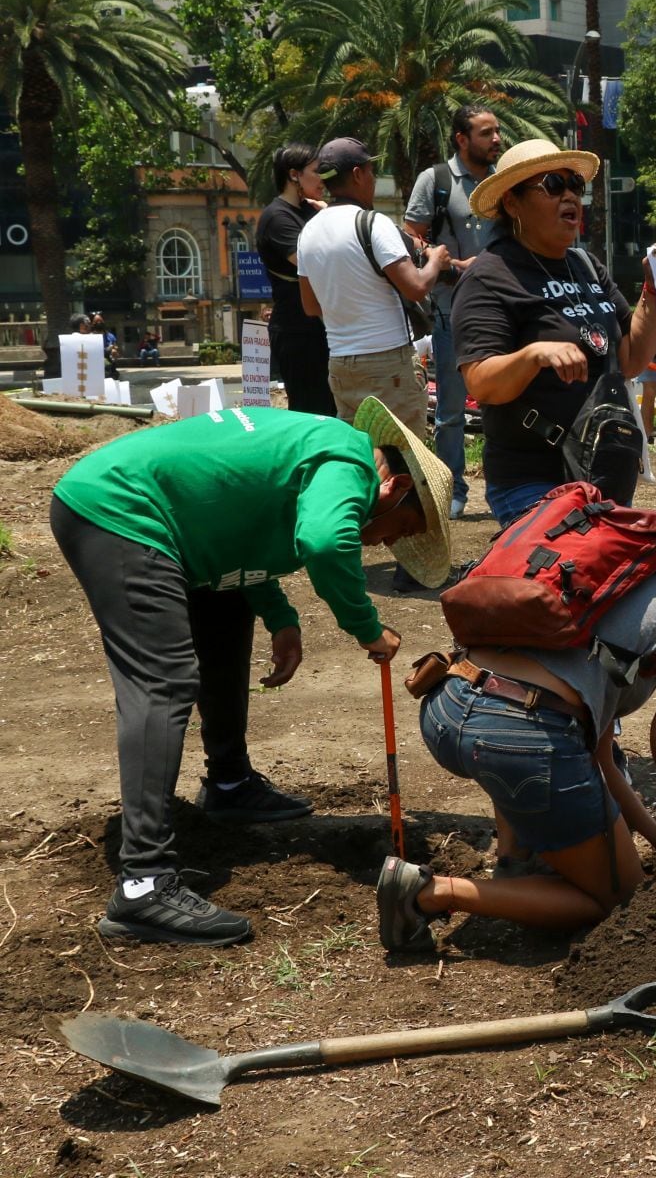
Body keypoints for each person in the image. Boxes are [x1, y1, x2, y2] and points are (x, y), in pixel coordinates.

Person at [53, 400, 450, 945]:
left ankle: (231, 783)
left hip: (149, 513)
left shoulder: (318, 448)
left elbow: (233, 527)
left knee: (223, 606)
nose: (385, 544)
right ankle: (143, 885)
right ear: (395, 485)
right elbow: (324, 542)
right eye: (402, 528)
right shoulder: (347, 465)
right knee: (162, 680)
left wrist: (282, 619)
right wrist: (366, 627)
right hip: (121, 511)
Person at [385, 568, 656, 945]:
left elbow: (599, 761)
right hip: (514, 741)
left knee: (537, 750)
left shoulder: (615, 595)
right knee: (619, 901)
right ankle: (430, 892)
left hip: (446, 707)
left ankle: (513, 865)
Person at [454, 140, 656, 522]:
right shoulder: (488, 276)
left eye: (575, 187)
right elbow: (480, 382)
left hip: (605, 472)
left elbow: (631, 360)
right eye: (553, 185)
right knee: (567, 579)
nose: (570, 196)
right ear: (512, 203)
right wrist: (534, 355)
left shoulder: (586, 265)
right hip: (533, 482)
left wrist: (653, 290)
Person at [296, 138, 448, 435]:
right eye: (370, 171)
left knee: (362, 460)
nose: (373, 179)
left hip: (340, 364)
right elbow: (415, 287)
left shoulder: (308, 232)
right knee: (405, 462)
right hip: (387, 364)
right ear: (356, 174)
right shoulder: (373, 223)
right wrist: (437, 262)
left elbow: (311, 306)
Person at [405, 106, 503, 519]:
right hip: (450, 310)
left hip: (501, 309)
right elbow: (411, 234)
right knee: (449, 412)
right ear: (462, 139)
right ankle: (452, 489)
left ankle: (506, 490)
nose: (496, 139)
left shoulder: (504, 180)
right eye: (486, 133)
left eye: (497, 131)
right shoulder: (436, 180)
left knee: (505, 404)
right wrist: (442, 260)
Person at [254, 143, 334, 415]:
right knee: (312, 412)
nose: (323, 177)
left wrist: (326, 212)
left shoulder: (311, 211)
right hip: (297, 332)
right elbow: (312, 262)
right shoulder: (277, 218)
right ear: (294, 175)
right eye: (316, 171)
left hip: (322, 328)